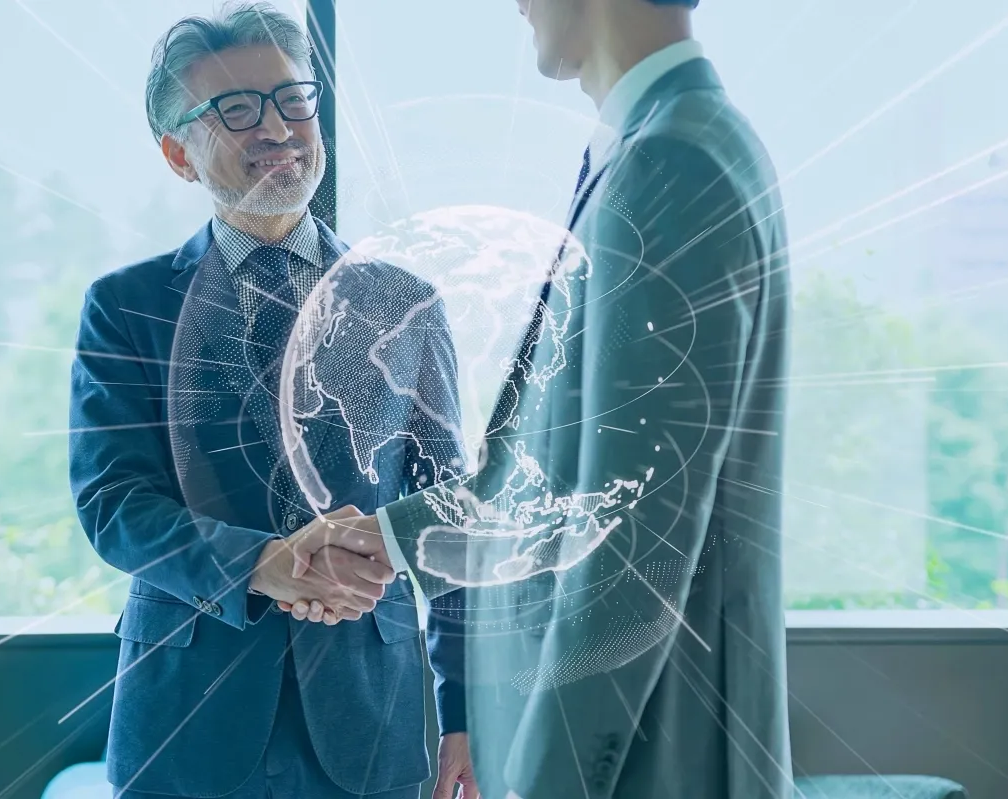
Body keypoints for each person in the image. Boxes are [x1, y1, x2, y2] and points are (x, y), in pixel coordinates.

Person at [282, 0, 793, 796]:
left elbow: (631, 544)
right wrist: (389, 533)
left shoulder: (672, 162)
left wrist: (551, 783)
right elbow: (553, 477)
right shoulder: (667, 144)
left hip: (653, 762)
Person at [67, 4, 471, 798]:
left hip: (373, 718)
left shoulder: (408, 301)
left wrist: (465, 711)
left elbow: (450, 516)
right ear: (178, 153)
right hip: (186, 722)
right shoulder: (126, 304)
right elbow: (114, 503)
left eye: (293, 99)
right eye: (236, 109)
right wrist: (263, 563)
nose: (277, 127)